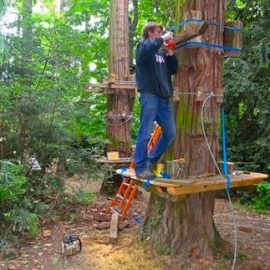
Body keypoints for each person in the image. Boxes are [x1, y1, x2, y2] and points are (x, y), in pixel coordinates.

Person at [134, 22, 178, 178]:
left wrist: (171, 53)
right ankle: (140, 168)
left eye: (162, 33)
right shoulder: (142, 47)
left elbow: (173, 70)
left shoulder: (161, 53)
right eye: (159, 32)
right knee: (145, 132)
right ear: (150, 32)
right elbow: (144, 53)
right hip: (150, 96)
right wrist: (162, 39)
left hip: (164, 99)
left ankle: (150, 160)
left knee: (170, 133)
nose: (161, 34)